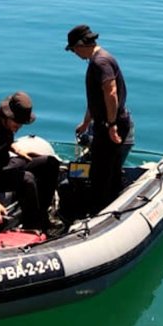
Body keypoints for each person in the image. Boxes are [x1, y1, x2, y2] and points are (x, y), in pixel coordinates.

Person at [0, 92, 60, 232]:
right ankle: (32, 226)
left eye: (22, 123)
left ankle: (42, 214)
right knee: (27, 179)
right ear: (7, 116)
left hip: (3, 164)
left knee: (50, 163)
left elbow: (3, 140)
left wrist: (18, 151)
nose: (19, 126)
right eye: (17, 123)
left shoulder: (4, 121)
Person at [66, 24, 134, 211]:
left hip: (111, 124)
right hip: (106, 122)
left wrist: (111, 125)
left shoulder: (100, 62)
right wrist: (87, 122)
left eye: (73, 49)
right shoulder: (99, 60)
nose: (75, 54)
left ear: (81, 45)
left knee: (101, 172)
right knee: (106, 167)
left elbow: (110, 93)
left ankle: (100, 209)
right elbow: (97, 98)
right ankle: (110, 197)